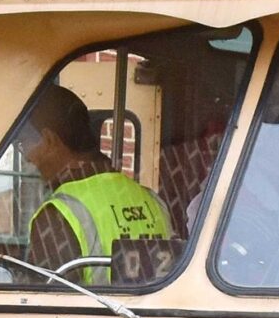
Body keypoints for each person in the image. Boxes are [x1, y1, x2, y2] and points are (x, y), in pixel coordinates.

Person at [16, 83, 172, 273]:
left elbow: (47, 298)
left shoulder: (57, 215)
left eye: (24, 144)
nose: (26, 157)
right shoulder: (153, 201)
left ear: (49, 140)